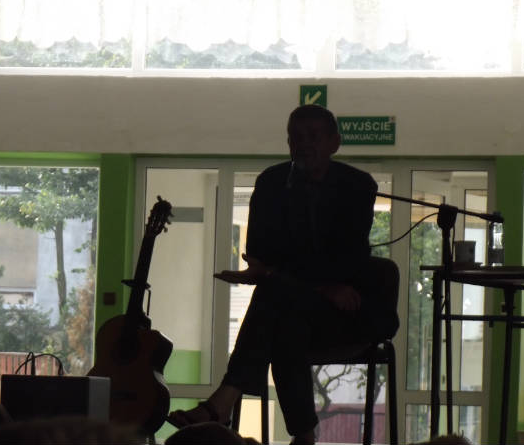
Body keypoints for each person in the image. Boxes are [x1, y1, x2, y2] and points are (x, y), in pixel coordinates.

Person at [168, 104, 399, 445]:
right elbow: (261, 252)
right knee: (286, 326)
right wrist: (316, 284)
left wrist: (283, 272)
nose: (303, 145)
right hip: (296, 307)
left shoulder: (357, 186)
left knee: (273, 295)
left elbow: (345, 260)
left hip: (348, 312)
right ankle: (299, 435)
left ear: (334, 143)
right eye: (295, 137)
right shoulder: (272, 183)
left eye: (313, 137)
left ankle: (229, 403)